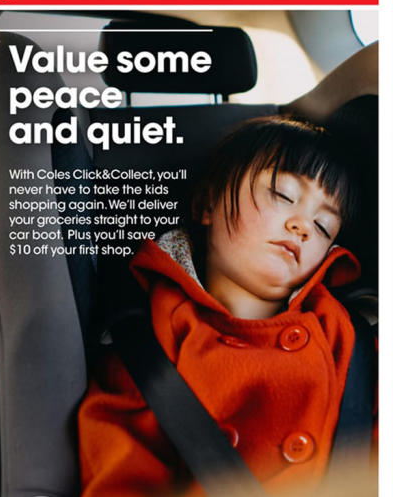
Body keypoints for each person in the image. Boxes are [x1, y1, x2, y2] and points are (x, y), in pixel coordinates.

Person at [78, 116, 373, 496]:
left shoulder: (350, 339)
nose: (302, 225)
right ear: (206, 205)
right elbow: (121, 479)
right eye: (282, 195)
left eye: (323, 226)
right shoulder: (148, 345)